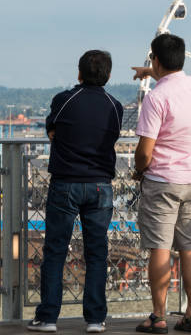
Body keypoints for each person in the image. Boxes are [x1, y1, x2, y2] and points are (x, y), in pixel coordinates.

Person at [27, 50, 123, 333]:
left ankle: (48, 317)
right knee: (96, 252)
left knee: (55, 250)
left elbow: (52, 129)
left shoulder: (63, 100)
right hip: (100, 185)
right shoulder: (114, 105)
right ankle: (95, 318)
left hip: (66, 183)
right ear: (107, 75)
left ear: (79, 73)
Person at [131, 34, 191, 334]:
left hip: (163, 180)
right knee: (189, 248)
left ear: (156, 59)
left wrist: (140, 170)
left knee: (160, 248)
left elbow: (145, 150)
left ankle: (159, 316)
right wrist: (152, 70)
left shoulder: (155, 99)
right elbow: (172, 75)